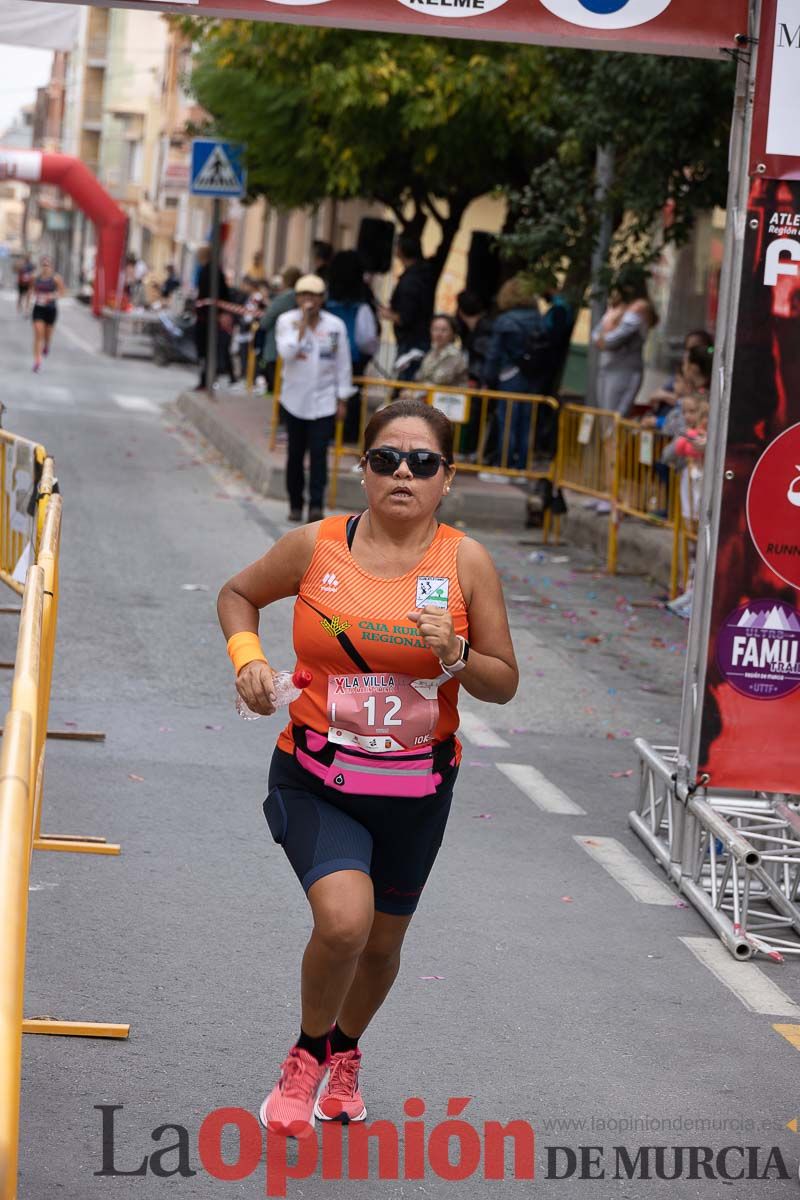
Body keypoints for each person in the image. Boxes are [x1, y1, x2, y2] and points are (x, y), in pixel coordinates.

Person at [217, 397, 518, 1136]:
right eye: (386, 459)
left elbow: (503, 682)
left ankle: (343, 1052)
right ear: (364, 471)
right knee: (345, 924)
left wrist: (454, 653)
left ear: (448, 478)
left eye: (423, 462)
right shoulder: (315, 546)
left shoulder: (466, 563)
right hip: (318, 775)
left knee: (383, 943)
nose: (403, 474)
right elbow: (237, 595)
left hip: (416, 788)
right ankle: (304, 1057)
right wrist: (248, 661)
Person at [275, 274, 352, 522]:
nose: (309, 300)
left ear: (321, 299)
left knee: (319, 455)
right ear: (297, 298)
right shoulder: (287, 321)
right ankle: (295, 503)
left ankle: (316, 505)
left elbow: (343, 363)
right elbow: (287, 353)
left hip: (324, 400)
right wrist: (304, 326)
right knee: (295, 454)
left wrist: (342, 398)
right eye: (304, 296)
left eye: (314, 296)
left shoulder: (335, 326)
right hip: (294, 399)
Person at [482, 274, 548, 470]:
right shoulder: (539, 319)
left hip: (509, 374)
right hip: (533, 375)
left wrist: (488, 378)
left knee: (508, 420)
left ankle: (505, 464)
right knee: (527, 420)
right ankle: (522, 465)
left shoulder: (505, 320)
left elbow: (494, 354)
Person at [325, 250, 379, 444]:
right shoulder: (360, 308)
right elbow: (367, 339)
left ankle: (328, 432)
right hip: (353, 358)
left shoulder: (327, 305)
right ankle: (348, 434)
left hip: (328, 355)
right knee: (353, 398)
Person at [592, 284, 658, 417]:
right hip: (608, 369)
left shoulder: (638, 310)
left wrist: (604, 333)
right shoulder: (617, 310)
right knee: (605, 417)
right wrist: (607, 325)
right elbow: (595, 335)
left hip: (623, 373)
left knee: (614, 418)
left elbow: (610, 341)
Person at [380, 235, 436, 380]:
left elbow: (406, 318)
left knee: (406, 384)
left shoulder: (411, 280)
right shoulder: (423, 274)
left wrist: (388, 314)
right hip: (417, 339)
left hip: (411, 343)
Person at [194, 245, 237, 392]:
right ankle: (208, 379)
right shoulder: (213, 270)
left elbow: (213, 295)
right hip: (211, 317)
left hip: (208, 319)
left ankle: (207, 380)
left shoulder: (209, 271)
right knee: (215, 350)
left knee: (209, 350)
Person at [260, 266, 302, 393]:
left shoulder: (285, 298)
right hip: (295, 347)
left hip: (278, 348)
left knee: (280, 386)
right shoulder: (294, 298)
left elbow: (265, 321)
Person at [414, 314, 469, 389]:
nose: (438, 334)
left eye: (444, 330)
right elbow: (419, 377)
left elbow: (440, 380)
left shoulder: (454, 355)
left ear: (453, 333)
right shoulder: (431, 352)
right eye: (435, 329)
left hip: (448, 398)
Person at [30, 257, 65, 373]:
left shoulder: (56, 278)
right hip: (38, 309)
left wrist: (51, 296)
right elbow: (32, 290)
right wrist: (32, 298)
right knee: (38, 334)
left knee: (47, 336)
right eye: (43, 265)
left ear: (51, 267)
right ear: (41, 266)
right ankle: (37, 362)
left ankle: (47, 345)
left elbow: (62, 293)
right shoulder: (36, 278)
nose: (45, 267)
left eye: (47, 265)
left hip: (51, 309)